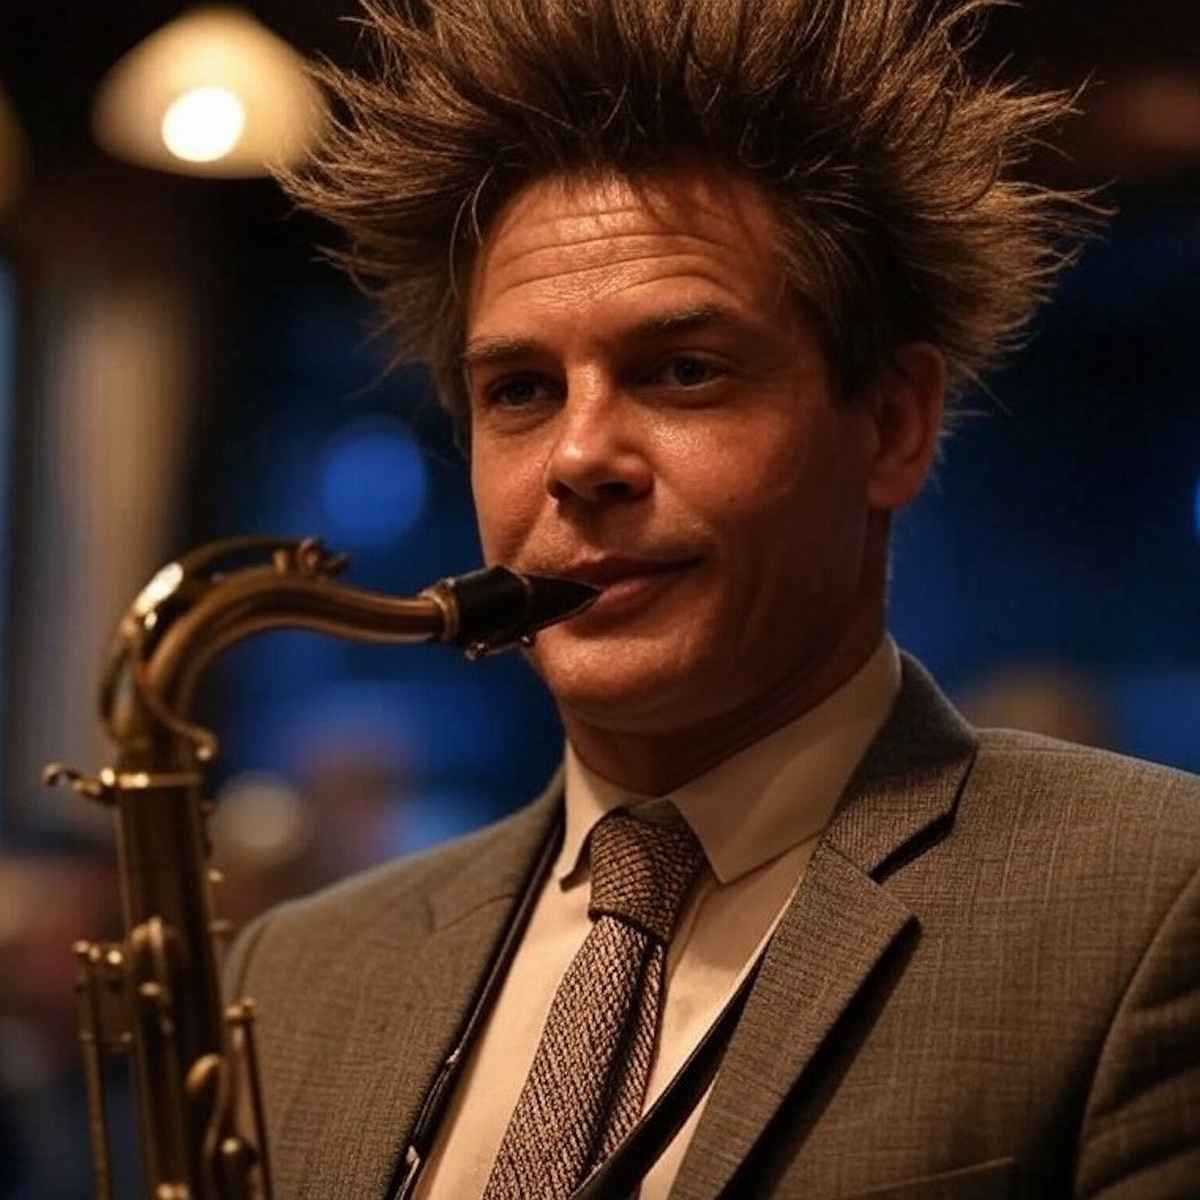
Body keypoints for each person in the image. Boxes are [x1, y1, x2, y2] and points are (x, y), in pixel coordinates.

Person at [226, 1, 1200, 1197]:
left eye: (684, 371)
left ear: (893, 425)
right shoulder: (291, 980)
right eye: (521, 390)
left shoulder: (1156, 900)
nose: (579, 457)